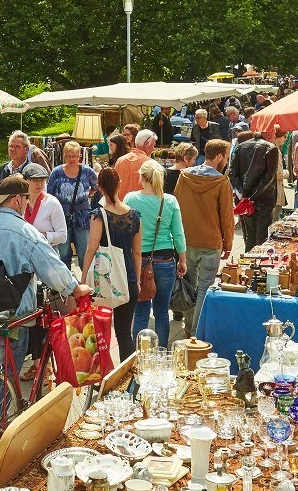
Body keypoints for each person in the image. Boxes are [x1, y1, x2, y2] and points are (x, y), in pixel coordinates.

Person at [0, 174, 90, 372]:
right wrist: (74, 287)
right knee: (9, 376)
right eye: (26, 198)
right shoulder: (24, 230)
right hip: (15, 314)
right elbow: (51, 267)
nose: (28, 203)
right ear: (17, 199)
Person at [81, 167, 143, 358]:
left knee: (101, 333)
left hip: (104, 280)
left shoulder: (99, 215)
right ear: (119, 185)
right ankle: (129, 381)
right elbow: (137, 252)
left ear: (99, 186)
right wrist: (138, 280)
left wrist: (83, 279)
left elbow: (91, 249)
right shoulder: (134, 216)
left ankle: (103, 378)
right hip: (128, 279)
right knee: (124, 333)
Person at [124, 160, 187, 344]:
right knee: (161, 311)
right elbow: (178, 233)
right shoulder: (169, 200)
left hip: (138, 260)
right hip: (165, 259)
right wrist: (182, 259)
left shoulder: (131, 199)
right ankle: (162, 353)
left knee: (141, 310)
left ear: (142, 177)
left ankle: (139, 355)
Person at [176, 139, 234, 338]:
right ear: (218, 156)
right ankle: (196, 332)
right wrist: (228, 243)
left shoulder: (184, 176)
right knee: (204, 287)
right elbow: (227, 216)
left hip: (186, 239)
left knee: (189, 285)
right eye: (225, 157)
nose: (226, 161)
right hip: (210, 241)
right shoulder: (221, 181)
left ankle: (188, 328)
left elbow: (176, 207)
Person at [228, 127, 283, 252]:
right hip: (263, 198)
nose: (275, 135)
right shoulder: (270, 148)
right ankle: (258, 262)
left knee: (250, 235)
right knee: (261, 235)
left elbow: (232, 173)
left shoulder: (241, 146)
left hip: (246, 197)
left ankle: (249, 261)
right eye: (273, 132)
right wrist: (250, 196)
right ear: (267, 133)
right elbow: (268, 177)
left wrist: (243, 194)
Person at [47, 141, 98, 268]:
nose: (72, 159)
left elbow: (96, 186)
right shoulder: (56, 172)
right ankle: (66, 283)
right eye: (69, 156)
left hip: (82, 217)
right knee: (63, 254)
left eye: (74, 156)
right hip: (61, 216)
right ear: (64, 156)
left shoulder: (87, 171)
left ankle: (85, 281)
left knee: (84, 252)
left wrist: (87, 195)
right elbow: (50, 193)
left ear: (79, 156)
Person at [20, 163, 70, 264]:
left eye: (42, 180)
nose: (40, 184)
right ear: (25, 181)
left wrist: (41, 236)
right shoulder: (19, 202)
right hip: (24, 256)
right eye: (35, 180)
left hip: (47, 256)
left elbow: (63, 236)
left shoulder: (52, 202)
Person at [0, 130, 50, 195]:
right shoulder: (3, 169)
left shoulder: (34, 171)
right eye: (11, 146)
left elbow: (42, 198)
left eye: (17, 146)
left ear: (26, 149)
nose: (12, 149)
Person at [115, 128, 157, 199]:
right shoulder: (150, 164)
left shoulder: (120, 160)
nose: (154, 149)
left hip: (121, 206)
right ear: (146, 144)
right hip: (141, 205)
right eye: (153, 145)